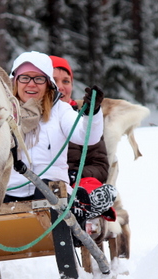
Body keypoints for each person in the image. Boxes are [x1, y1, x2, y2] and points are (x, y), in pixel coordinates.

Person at [4, 51, 116, 224]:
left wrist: (91, 114)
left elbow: (86, 137)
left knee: (49, 192)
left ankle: (78, 217)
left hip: (52, 189)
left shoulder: (60, 110)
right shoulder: (3, 114)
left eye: (39, 79)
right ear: (15, 81)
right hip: (11, 188)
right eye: (25, 78)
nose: (31, 84)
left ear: (48, 83)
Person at [50, 55, 117, 237]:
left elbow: (100, 166)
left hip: (77, 182)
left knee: (87, 188)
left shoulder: (85, 120)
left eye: (66, 81)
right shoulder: (32, 119)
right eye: (54, 80)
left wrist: (74, 175)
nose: (61, 86)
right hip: (45, 185)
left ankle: (88, 210)